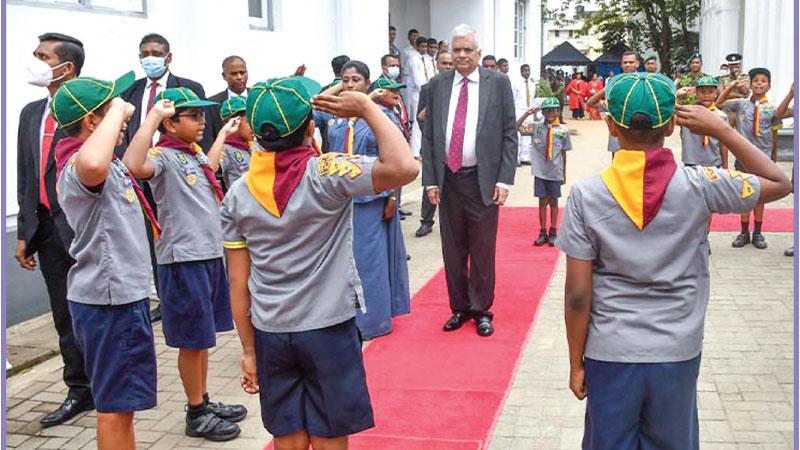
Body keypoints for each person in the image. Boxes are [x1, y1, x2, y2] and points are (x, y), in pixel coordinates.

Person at [557, 71, 791, 450]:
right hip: (677, 348)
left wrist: (575, 362)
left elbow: (578, 294)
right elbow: (780, 182)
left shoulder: (587, 194)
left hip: (610, 349)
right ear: (670, 127)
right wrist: (723, 131)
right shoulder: (703, 184)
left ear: (611, 126)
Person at [222, 75, 418, 450]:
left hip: (271, 329)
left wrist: (248, 350)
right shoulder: (328, 172)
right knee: (329, 432)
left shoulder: (239, 192)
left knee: (287, 434)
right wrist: (366, 107)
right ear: (310, 128)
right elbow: (404, 168)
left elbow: (237, 281)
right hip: (327, 327)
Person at [123, 88, 247, 441]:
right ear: (171, 124)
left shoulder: (191, 153)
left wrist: (222, 134)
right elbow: (134, 165)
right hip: (183, 260)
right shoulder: (161, 156)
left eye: (202, 116)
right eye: (193, 116)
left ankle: (203, 399)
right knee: (192, 340)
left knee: (203, 338)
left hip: (207, 254)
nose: (201, 122)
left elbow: (209, 165)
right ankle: (195, 412)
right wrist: (151, 118)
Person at [52, 72, 158, 450]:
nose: (124, 115)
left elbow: (120, 159)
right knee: (114, 408)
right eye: (111, 109)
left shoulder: (106, 162)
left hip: (118, 299)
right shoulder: (82, 167)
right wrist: (116, 111)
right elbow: (92, 164)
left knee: (122, 405)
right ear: (93, 122)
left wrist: (149, 117)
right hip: (109, 303)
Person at [16, 31, 93, 428]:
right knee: (64, 316)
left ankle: (105, 380)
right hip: (46, 231)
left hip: (85, 230)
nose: (34, 61)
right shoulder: (31, 112)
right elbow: (26, 172)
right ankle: (79, 388)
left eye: (42, 56)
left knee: (95, 312)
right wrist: (24, 232)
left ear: (67, 67)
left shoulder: (90, 111)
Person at [421, 24, 517, 337]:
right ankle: (459, 308)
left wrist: (504, 180)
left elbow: (508, 134)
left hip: (483, 179)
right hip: (448, 181)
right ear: (449, 52)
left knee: (482, 249)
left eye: (467, 50)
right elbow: (431, 136)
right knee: (453, 249)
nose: (461, 55)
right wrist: (430, 180)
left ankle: (481, 310)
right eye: (456, 49)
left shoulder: (498, 83)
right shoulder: (437, 85)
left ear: (477, 53)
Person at [314, 61, 411, 339]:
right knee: (343, 262)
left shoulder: (379, 115)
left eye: (356, 79)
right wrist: (338, 90)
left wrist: (393, 196)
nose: (350, 85)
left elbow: (395, 158)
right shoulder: (334, 116)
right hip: (339, 199)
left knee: (369, 262)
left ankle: (371, 322)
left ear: (368, 83)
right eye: (345, 79)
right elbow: (312, 106)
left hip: (371, 199)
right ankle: (345, 320)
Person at [121, 32, 210, 322]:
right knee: (153, 237)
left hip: (178, 174)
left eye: (156, 53)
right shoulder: (131, 92)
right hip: (141, 173)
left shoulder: (189, 87)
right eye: (144, 53)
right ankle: (163, 294)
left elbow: (202, 136)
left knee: (177, 231)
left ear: (168, 57)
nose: (150, 58)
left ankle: (187, 294)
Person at [718, 69, 793, 249]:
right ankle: (744, 232)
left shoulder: (772, 108)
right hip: (743, 158)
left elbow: (774, 132)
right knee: (744, 193)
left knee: (760, 195)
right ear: (750, 84)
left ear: (769, 85)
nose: (759, 84)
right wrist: (731, 87)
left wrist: (774, 155)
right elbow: (719, 103)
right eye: (756, 81)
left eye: (764, 81)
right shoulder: (741, 104)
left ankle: (758, 232)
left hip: (763, 159)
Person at [517, 98, 571, 246]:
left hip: (555, 171)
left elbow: (564, 153)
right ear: (542, 112)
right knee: (542, 202)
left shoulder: (563, 131)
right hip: (540, 172)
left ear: (559, 111)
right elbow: (515, 127)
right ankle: (542, 232)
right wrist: (527, 114)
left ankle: (553, 231)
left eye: (554, 110)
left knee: (554, 201)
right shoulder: (536, 127)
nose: (550, 113)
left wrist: (564, 173)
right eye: (547, 110)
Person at [415, 52, 454, 238]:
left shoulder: (460, 88)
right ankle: (426, 221)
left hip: (455, 147)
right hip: (434, 146)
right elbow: (420, 118)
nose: (447, 66)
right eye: (444, 63)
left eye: (450, 63)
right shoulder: (428, 88)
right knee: (430, 184)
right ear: (437, 64)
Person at [586, 51, 640, 155]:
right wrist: (607, 89)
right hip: (618, 128)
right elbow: (591, 102)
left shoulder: (644, 81)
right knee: (617, 160)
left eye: (631, 62)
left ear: (637, 63)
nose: (627, 65)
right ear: (621, 64)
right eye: (625, 62)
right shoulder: (614, 82)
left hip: (639, 130)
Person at [676, 77, 729, 169]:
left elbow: (723, 144)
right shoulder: (687, 112)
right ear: (696, 93)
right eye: (702, 92)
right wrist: (677, 96)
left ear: (716, 94)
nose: (706, 95)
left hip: (714, 162)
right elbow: (670, 112)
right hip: (692, 162)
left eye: (710, 92)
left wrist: (725, 165)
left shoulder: (721, 116)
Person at [208, 55, 249, 143]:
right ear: (224, 76)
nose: (239, 77)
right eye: (234, 74)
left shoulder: (258, 98)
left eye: (242, 73)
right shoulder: (212, 104)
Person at [218, 96, 255, 188]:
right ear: (234, 123)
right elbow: (212, 174)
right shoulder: (224, 150)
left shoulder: (255, 146)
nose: (254, 126)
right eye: (249, 121)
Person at [408, 36, 432, 158]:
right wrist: (426, 88)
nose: (424, 48)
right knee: (418, 121)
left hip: (428, 90)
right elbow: (418, 80)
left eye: (425, 46)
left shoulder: (428, 59)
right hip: (418, 92)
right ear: (416, 46)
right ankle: (415, 150)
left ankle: (421, 148)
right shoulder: (413, 59)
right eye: (422, 46)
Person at [512, 64, 536, 165]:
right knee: (518, 134)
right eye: (525, 71)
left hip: (529, 110)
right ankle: (516, 158)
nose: (527, 72)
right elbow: (512, 98)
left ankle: (525, 157)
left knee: (528, 134)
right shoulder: (515, 83)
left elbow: (533, 98)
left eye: (528, 70)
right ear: (521, 71)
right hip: (519, 110)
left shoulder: (532, 84)